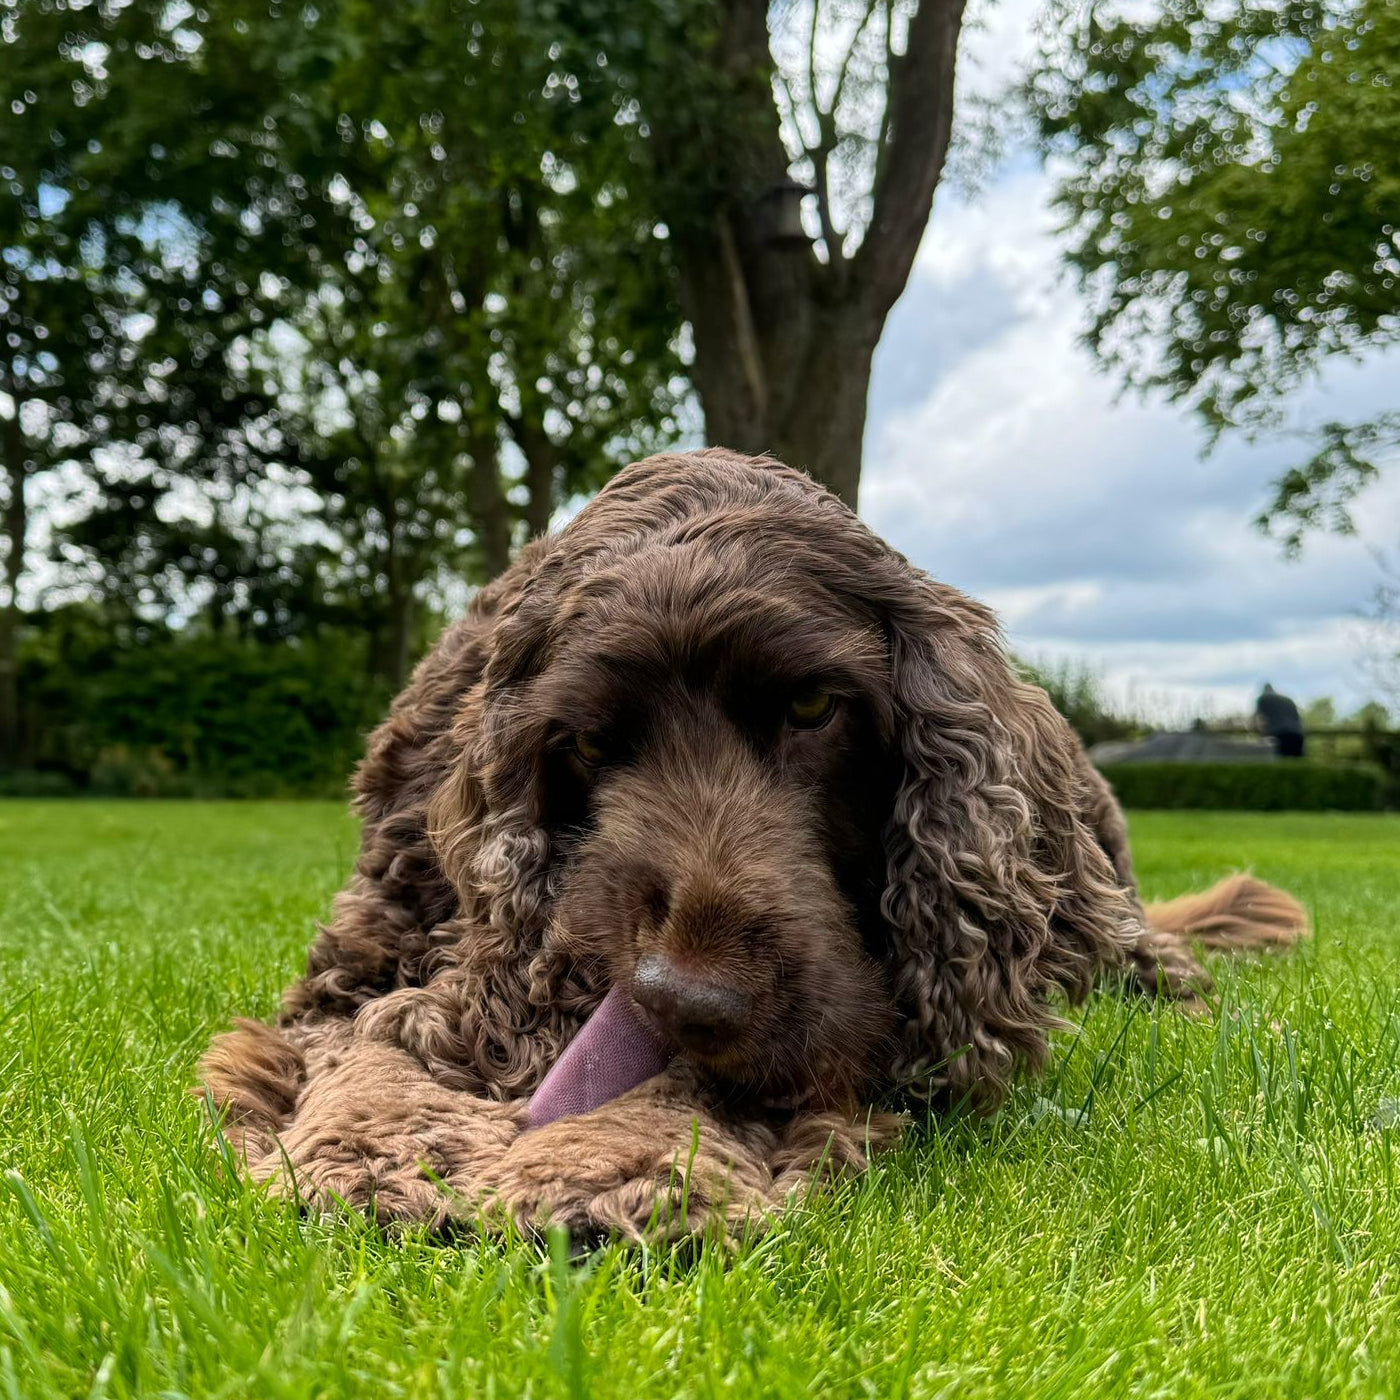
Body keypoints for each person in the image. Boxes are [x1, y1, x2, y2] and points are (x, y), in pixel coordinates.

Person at [1255, 683, 1305, 758]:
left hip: (1278, 734)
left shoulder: (1263, 699)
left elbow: (1260, 719)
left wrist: (1262, 735)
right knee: (1296, 764)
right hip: (1297, 733)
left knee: (1279, 762)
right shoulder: (1288, 700)